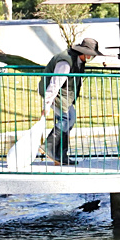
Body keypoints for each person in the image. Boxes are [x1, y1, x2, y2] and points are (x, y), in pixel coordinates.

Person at [39, 37, 104, 165]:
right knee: (68, 118)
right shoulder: (65, 61)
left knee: (68, 120)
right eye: (91, 55)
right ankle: (48, 147)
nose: (91, 58)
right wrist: (47, 104)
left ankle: (60, 156)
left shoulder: (77, 59)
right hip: (55, 93)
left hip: (64, 95)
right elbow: (55, 83)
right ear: (83, 52)